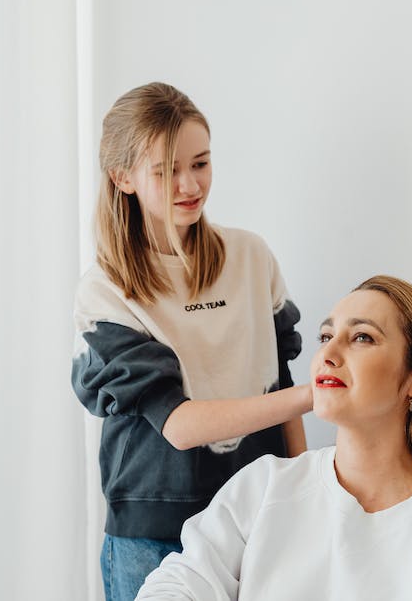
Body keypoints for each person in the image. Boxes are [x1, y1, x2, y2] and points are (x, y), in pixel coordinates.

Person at [71, 82, 312, 601]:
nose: (189, 184)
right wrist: (324, 393)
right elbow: (179, 426)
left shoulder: (250, 257)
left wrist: (304, 490)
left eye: (200, 164)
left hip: (257, 515)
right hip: (156, 534)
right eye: (165, 170)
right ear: (123, 178)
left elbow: (281, 380)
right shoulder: (106, 291)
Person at [136, 275, 412, 600]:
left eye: (363, 338)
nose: (327, 354)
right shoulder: (264, 485)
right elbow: (179, 583)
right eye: (326, 335)